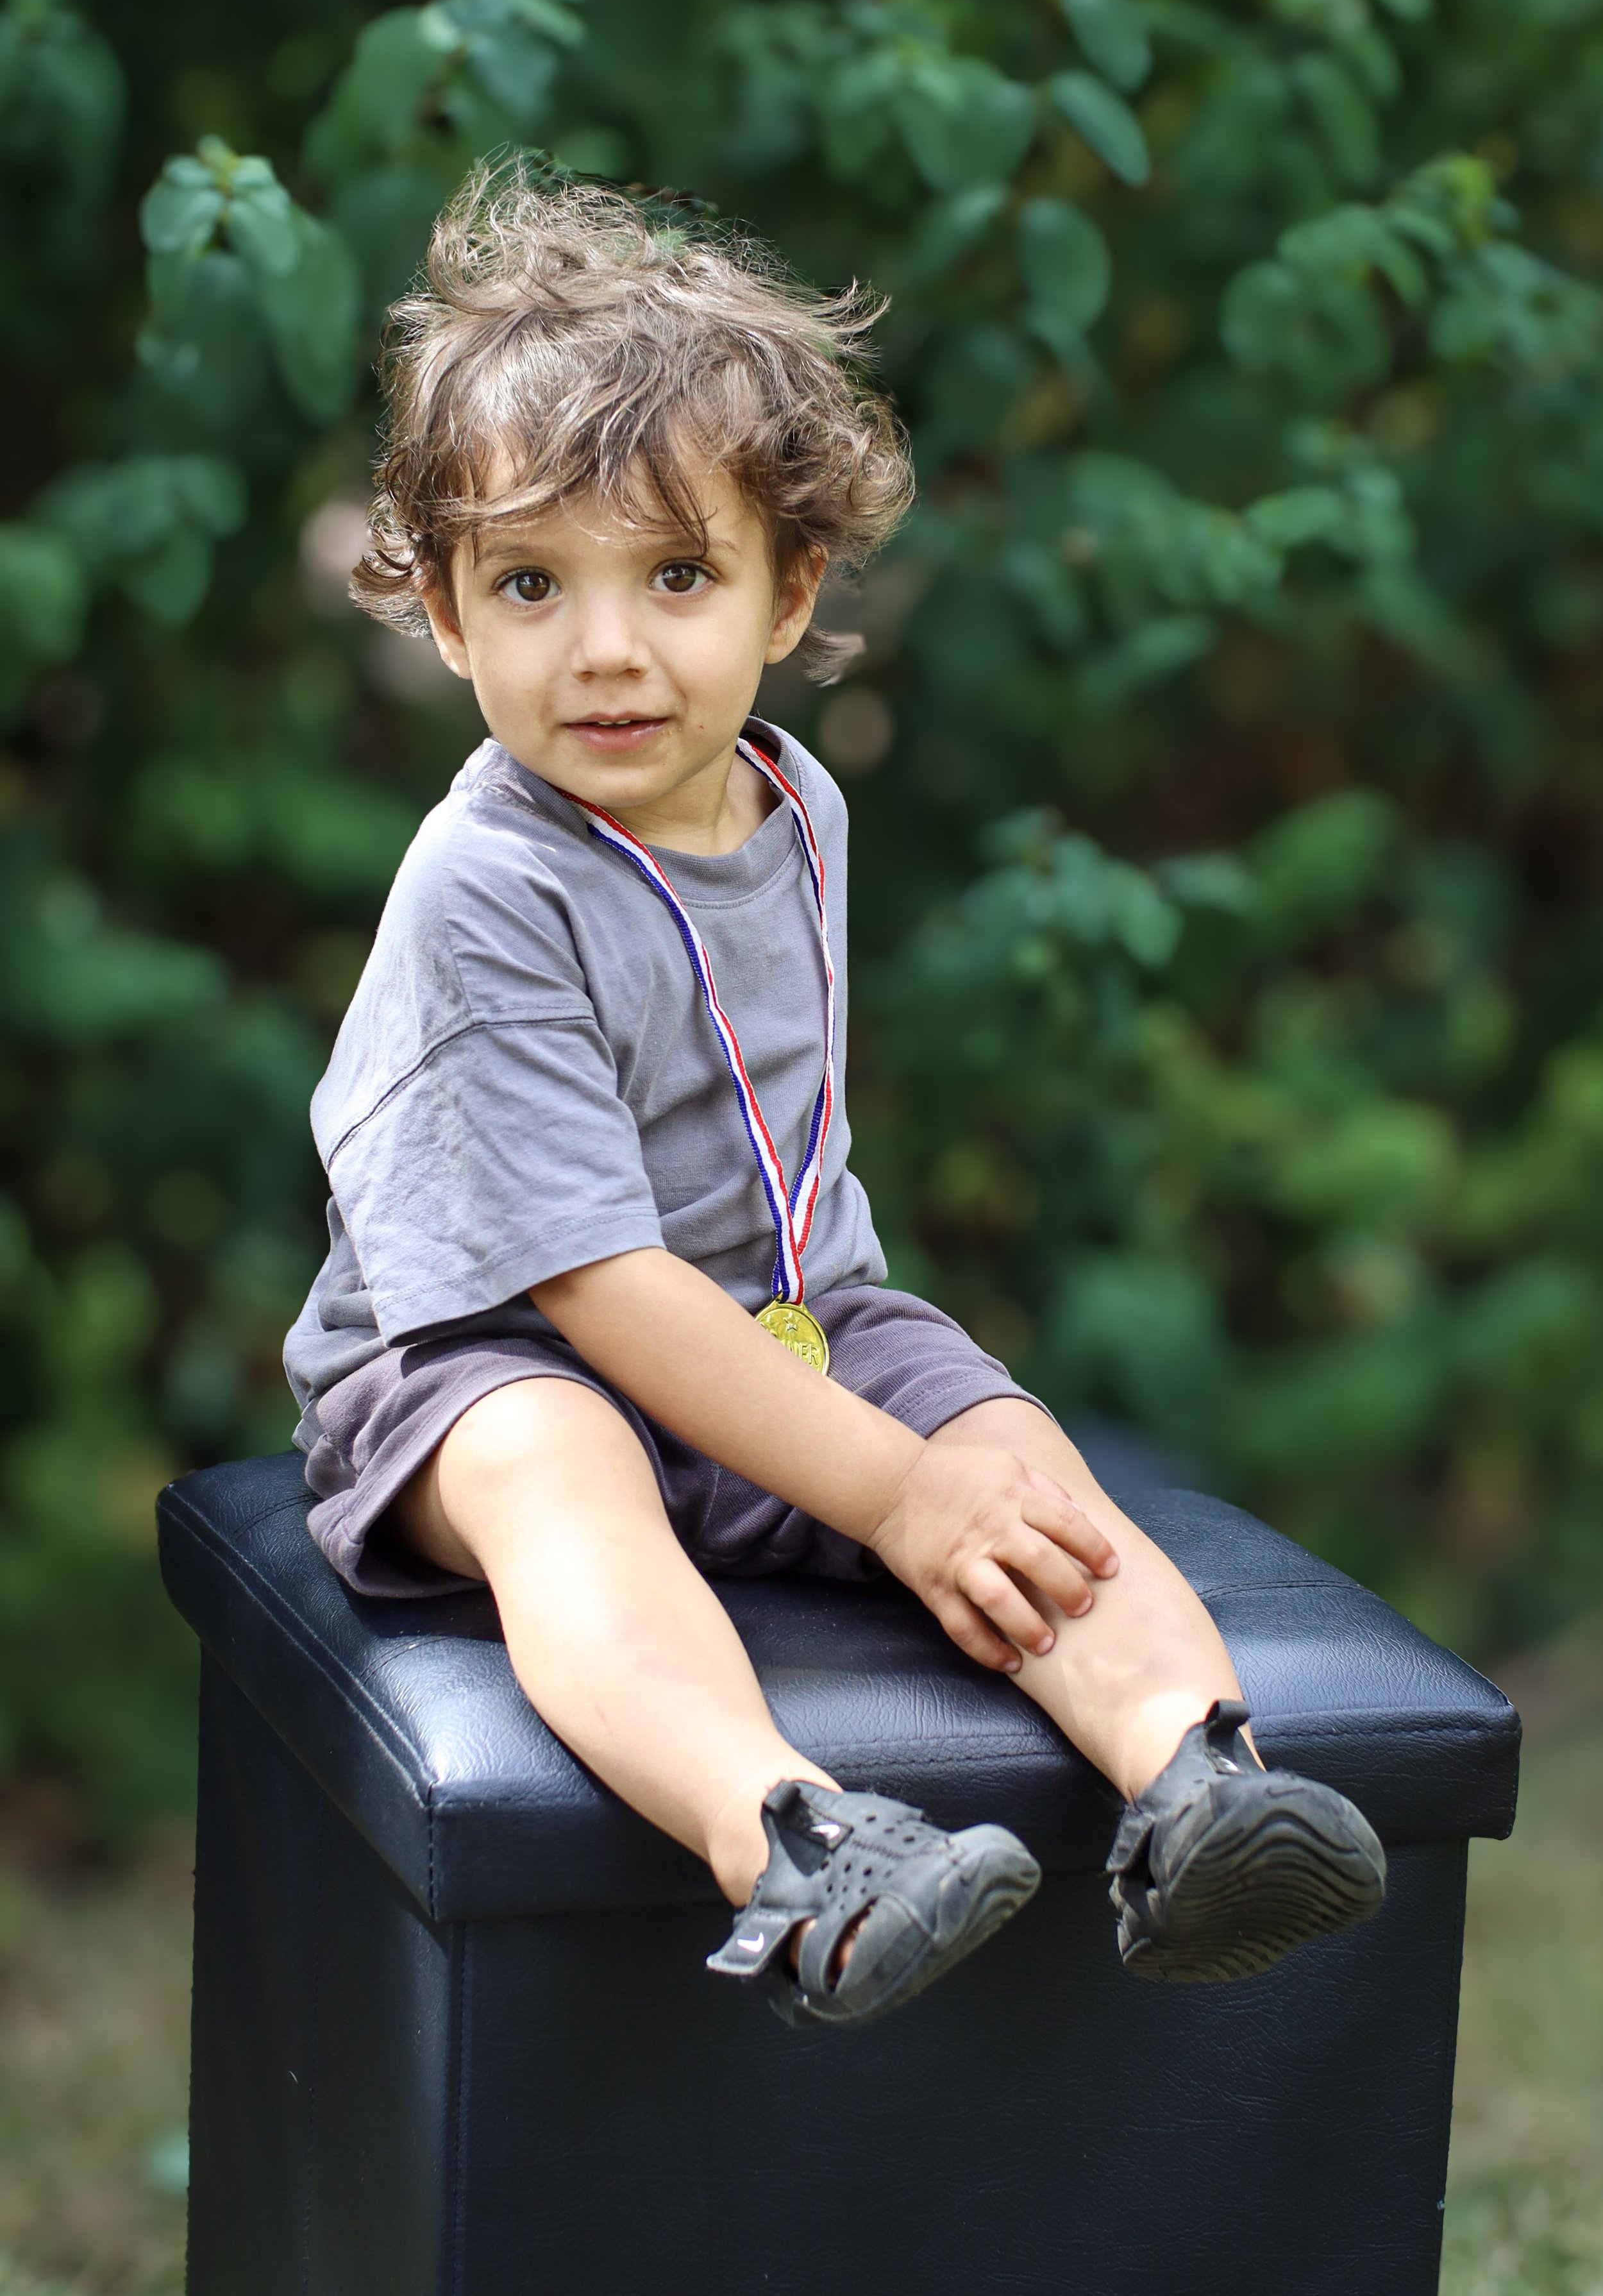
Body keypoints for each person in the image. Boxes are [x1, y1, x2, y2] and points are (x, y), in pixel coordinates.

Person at [283, 161, 1386, 2027]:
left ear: (790, 592)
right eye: (531, 585)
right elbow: (592, 1287)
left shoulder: (798, 799)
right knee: (567, 1483)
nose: (608, 648)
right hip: (489, 1350)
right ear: (449, 617)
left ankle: (1193, 1786)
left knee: (1014, 1457)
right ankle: (790, 1842)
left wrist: (938, 1463)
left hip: (787, 1318)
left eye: (679, 576)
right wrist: (890, 1498)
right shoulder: (488, 883)